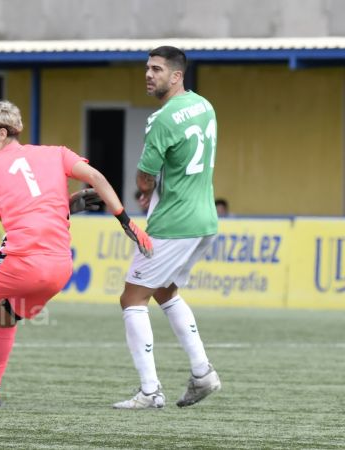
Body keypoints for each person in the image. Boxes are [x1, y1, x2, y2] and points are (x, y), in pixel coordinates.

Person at [0, 100, 152, 408]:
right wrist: (125, 221)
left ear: (2, 133)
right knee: (4, 315)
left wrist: (66, 203)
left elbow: (18, 213)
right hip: (60, 267)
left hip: (22, 259)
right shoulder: (56, 153)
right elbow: (97, 179)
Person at [113, 46, 221, 410]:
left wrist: (145, 190)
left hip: (174, 221)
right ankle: (202, 373)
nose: (148, 74)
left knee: (132, 298)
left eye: (156, 69)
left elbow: (144, 180)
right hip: (204, 218)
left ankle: (149, 391)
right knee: (164, 291)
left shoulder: (163, 118)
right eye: (147, 68)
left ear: (176, 76)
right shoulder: (204, 105)